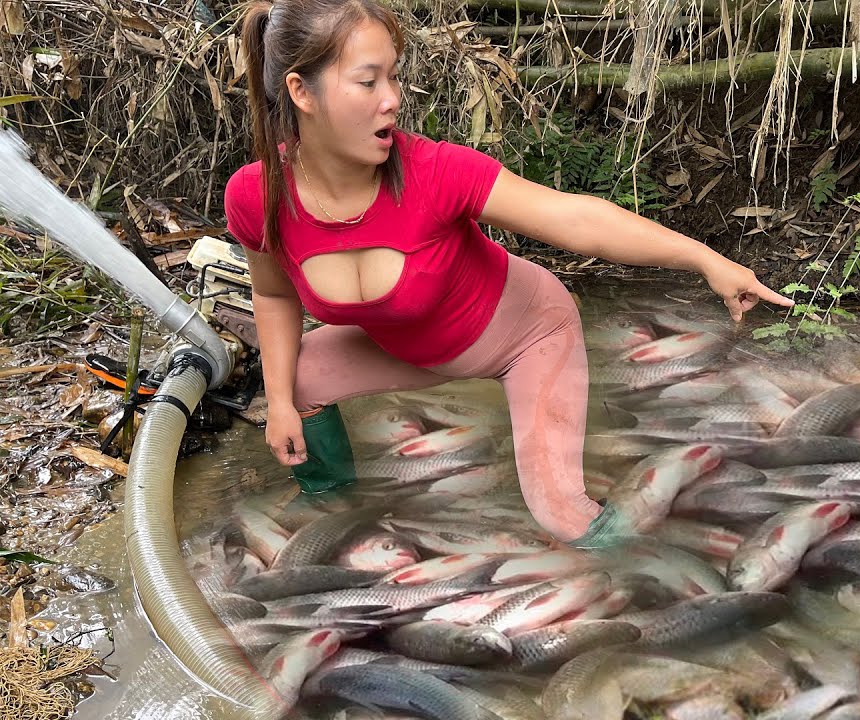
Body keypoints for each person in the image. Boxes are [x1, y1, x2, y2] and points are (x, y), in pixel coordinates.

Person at [224, 0, 792, 549]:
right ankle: (331, 501)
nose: (393, 100)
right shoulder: (258, 196)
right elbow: (273, 297)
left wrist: (704, 258)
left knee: (564, 519)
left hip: (525, 336)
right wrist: (276, 402)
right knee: (293, 382)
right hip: (408, 345)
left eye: (393, 78)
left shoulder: (436, 172)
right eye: (368, 82)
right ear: (301, 91)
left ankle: (689, 552)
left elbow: (576, 218)